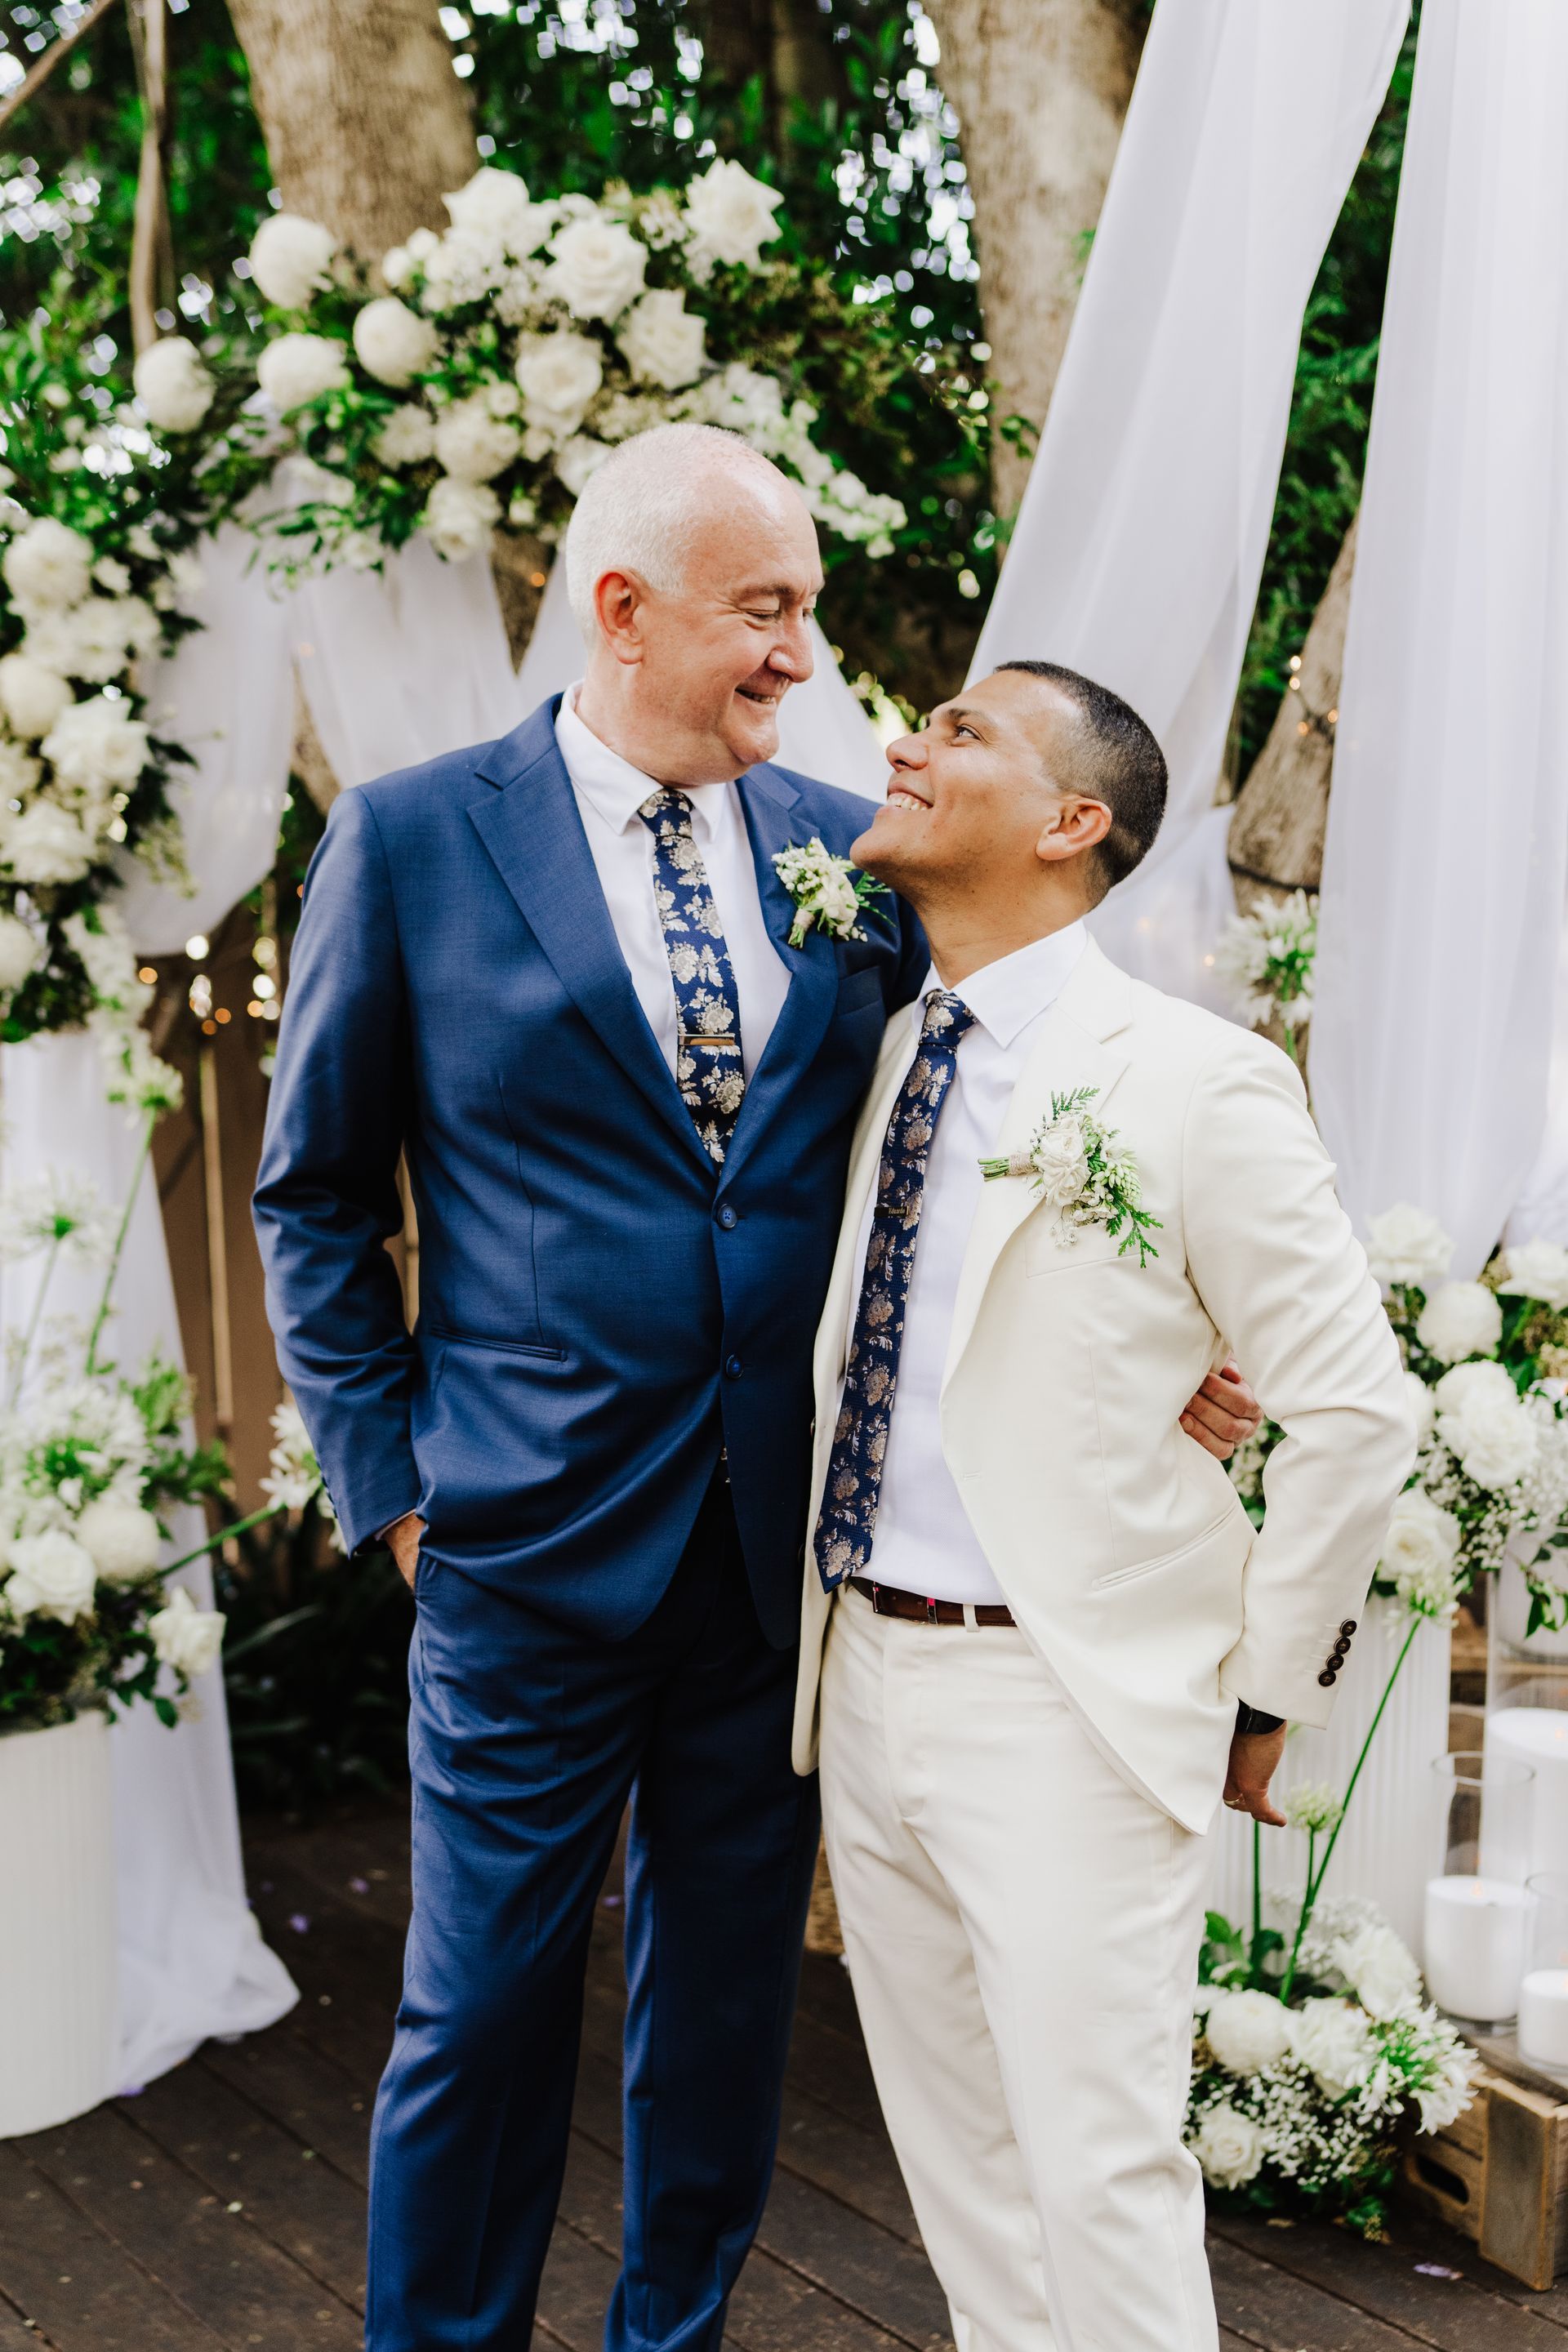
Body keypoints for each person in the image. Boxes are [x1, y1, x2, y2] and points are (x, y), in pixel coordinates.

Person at [254, 430, 1258, 2352]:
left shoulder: (844, 854)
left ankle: (676, 2337)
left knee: (720, 2014)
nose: (804, 660)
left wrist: (1167, 1323)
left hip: (781, 1555)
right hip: (516, 1545)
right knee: (480, 2017)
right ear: (625, 610)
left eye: (802, 611)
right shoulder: (408, 840)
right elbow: (310, 1194)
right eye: (766, 614)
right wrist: (394, 1483)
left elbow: (982, 1120)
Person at [793, 661, 1414, 2352]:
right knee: (963, 2177)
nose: (913, 742)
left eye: (965, 731)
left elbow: (1357, 1406)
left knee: (1100, 2173)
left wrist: (1265, 1693)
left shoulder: (1190, 1079)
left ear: (1075, 825)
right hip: (863, 1675)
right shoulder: (891, 1046)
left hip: (1059, 1700)